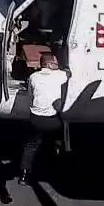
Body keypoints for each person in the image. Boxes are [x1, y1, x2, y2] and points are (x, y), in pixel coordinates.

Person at [19, 49, 69, 185]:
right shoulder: (61, 76)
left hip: (36, 119)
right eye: (55, 62)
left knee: (30, 145)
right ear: (49, 64)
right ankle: (57, 170)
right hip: (52, 120)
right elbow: (70, 74)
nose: (57, 63)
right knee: (59, 141)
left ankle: (24, 175)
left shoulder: (33, 77)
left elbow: (30, 95)